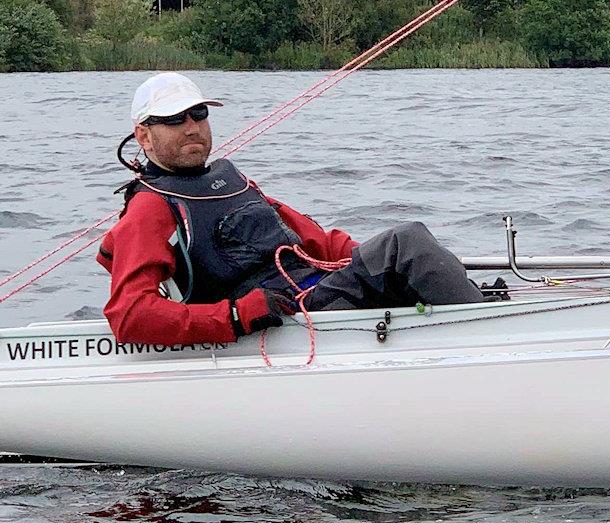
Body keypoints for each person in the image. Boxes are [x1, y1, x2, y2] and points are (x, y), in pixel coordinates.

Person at [97, 73, 484, 345]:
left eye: (199, 114)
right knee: (407, 241)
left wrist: (382, 266)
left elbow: (319, 241)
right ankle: (490, 336)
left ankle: (479, 316)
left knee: (402, 254)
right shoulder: (150, 208)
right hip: (291, 319)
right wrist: (235, 315)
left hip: (321, 293)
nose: (192, 127)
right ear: (144, 136)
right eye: (173, 119)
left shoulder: (229, 180)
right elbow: (130, 315)